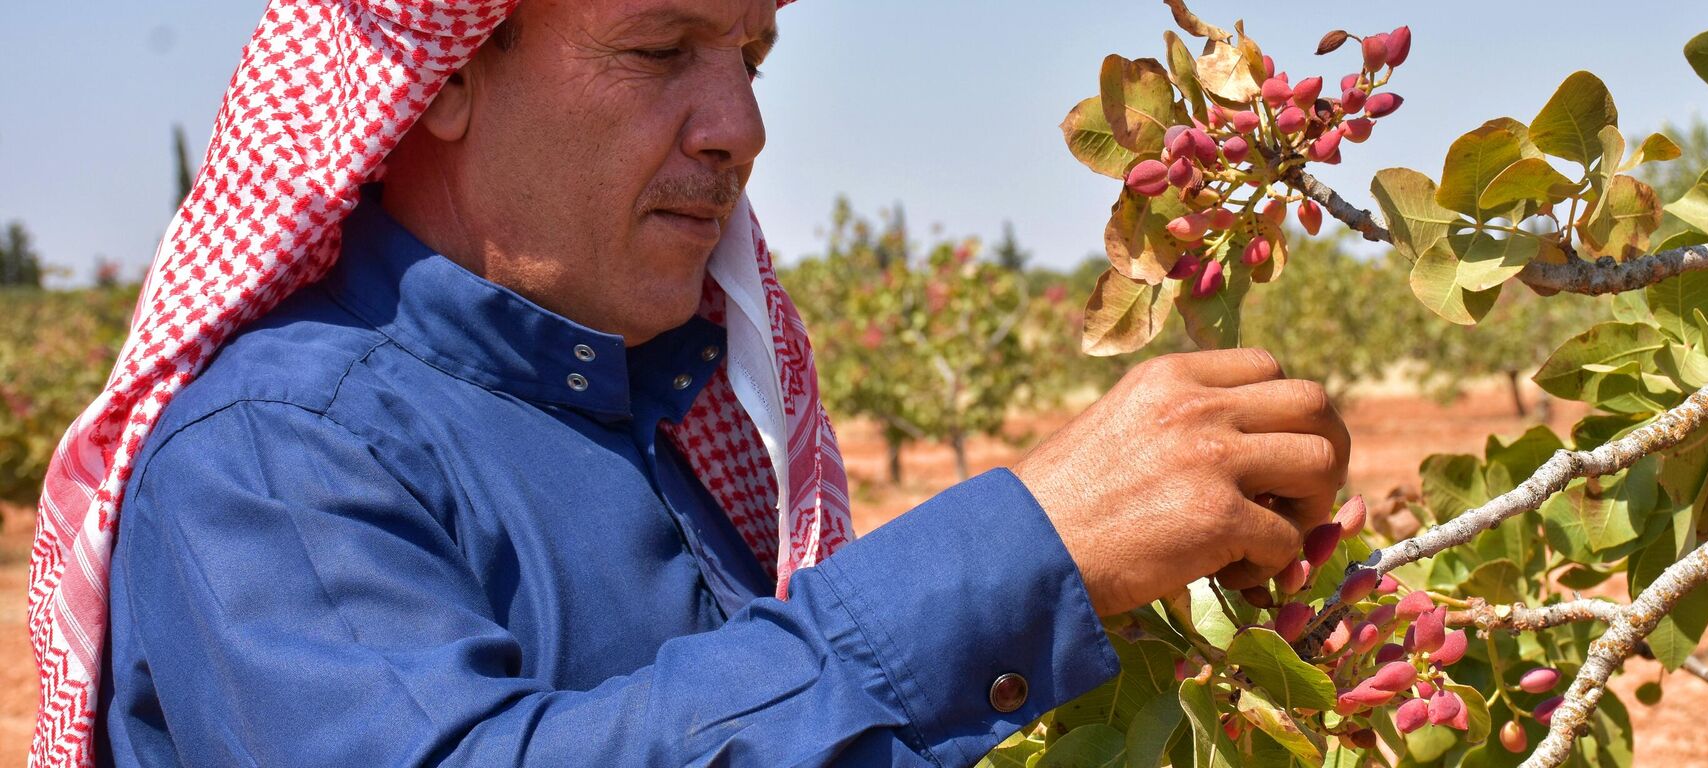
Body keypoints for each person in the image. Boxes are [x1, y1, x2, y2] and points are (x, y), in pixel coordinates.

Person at [29, 0, 1350, 765]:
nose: (742, 125)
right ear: (441, 77)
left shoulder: (648, 413)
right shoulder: (280, 457)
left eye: (751, 55)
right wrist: (1018, 556)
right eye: (660, 48)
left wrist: (1117, 614)